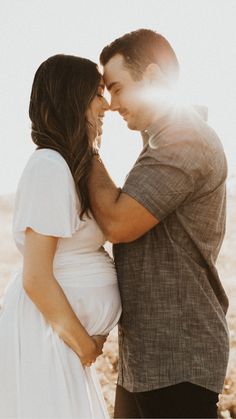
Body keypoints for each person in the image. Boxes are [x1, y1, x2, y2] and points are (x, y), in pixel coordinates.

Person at [88, 29, 230, 418]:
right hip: (145, 361)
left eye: (117, 88)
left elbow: (118, 222)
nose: (112, 104)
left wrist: (85, 145)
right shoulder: (161, 141)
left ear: (151, 78)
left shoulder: (184, 140)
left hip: (178, 357)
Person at [0, 54, 121, 419]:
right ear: (73, 97)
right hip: (48, 337)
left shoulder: (67, 166)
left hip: (60, 340)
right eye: (97, 93)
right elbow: (37, 277)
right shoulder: (49, 167)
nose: (107, 105)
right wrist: (84, 344)